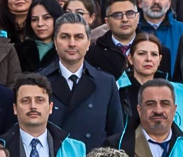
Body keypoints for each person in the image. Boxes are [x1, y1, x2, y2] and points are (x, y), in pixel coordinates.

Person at [41, 12, 124, 149]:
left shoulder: (106, 83)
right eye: (65, 37)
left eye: (78, 37)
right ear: (55, 42)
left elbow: (116, 135)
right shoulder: (40, 81)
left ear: (88, 43)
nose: (72, 43)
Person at [117, 32, 183, 129]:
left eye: (154, 54)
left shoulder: (178, 91)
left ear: (159, 59)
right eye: (141, 54)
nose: (148, 59)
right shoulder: (117, 89)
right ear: (130, 58)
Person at [87, 0, 142, 79]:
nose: (124, 19)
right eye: (117, 15)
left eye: (130, 13)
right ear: (107, 22)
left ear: (138, 17)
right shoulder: (93, 53)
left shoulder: (154, 50)